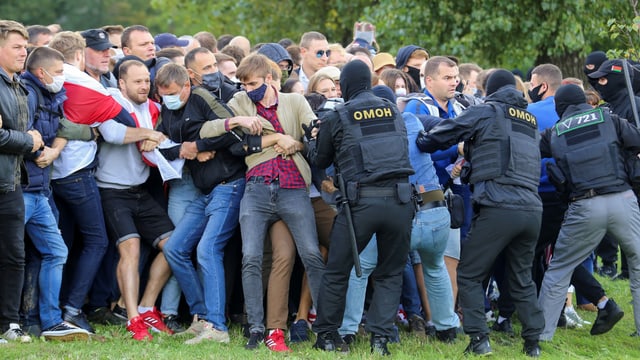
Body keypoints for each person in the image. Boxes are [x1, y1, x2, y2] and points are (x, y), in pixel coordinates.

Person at [199, 53, 325, 352]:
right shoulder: (241, 102)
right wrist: (256, 129)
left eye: (253, 82)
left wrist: (299, 142)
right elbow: (220, 138)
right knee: (251, 257)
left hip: (294, 186)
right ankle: (255, 327)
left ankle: (325, 326)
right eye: (242, 83)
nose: (247, 88)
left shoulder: (294, 101)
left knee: (311, 254)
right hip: (256, 188)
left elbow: (313, 134)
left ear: (269, 78)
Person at [417, 69, 544, 357]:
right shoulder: (529, 121)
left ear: (490, 90)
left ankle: (478, 340)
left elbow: (445, 133)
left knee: (471, 273)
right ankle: (533, 343)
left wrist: (424, 141)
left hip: (499, 205)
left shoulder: (488, 111)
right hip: (532, 209)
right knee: (521, 277)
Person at [309, 60, 416, 356]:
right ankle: (380, 339)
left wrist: (312, 140)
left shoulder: (339, 114)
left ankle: (328, 336)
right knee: (391, 273)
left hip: (361, 204)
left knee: (337, 271)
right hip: (400, 201)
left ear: (344, 86)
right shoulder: (393, 109)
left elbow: (320, 160)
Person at [537, 84, 640, 340]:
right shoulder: (610, 119)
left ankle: (540, 335)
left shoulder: (554, 132)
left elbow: (528, 150)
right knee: (638, 266)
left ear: (560, 107)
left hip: (584, 206)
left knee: (559, 269)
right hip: (623, 199)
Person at [156, 63, 246, 345]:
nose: (167, 99)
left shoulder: (203, 98)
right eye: (162, 95)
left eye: (171, 93)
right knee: (174, 248)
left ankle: (218, 328)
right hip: (203, 191)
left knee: (208, 249)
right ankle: (202, 316)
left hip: (228, 185)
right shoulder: (167, 109)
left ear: (186, 86)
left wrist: (201, 146)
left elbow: (233, 129)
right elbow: (162, 145)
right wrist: (188, 150)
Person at [19, 45, 91, 341]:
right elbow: (23, 135)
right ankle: (15, 321)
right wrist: (38, 149)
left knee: (56, 251)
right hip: (22, 188)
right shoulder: (27, 93)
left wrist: (53, 149)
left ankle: (50, 322)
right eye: (59, 73)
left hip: (39, 190)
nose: (63, 78)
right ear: (41, 73)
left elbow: (61, 129)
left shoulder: (52, 94)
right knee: (10, 256)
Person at [0, 19, 44, 344]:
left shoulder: (19, 86)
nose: (24, 52)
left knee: (15, 256)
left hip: (12, 182)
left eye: (25, 46)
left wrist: (27, 140)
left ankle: (9, 325)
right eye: (17, 46)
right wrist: (29, 141)